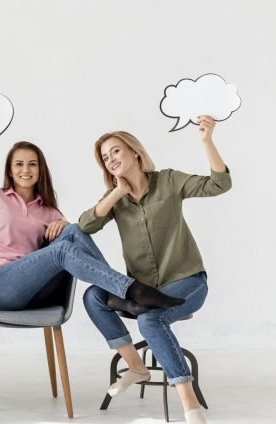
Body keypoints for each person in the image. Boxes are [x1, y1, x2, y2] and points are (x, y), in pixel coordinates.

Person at [79, 116, 231, 424]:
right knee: (93, 295)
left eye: (115, 152)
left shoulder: (169, 181)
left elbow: (219, 184)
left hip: (186, 282)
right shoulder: (116, 199)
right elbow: (85, 225)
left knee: (151, 319)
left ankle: (190, 406)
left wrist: (206, 140)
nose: (110, 161)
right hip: (143, 291)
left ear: (134, 152)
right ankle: (136, 367)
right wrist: (117, 193)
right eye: (105, 158)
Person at [0, 140, 183, 315]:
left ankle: (117, 294)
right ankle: (129, 291)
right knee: (62, 249)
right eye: (19, 165)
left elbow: (74, 245)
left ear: (40, 169)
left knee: (74, 231)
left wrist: (64, 225)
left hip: (32, 291)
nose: (25, 170)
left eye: (32, 164)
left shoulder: (48, 211)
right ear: (10, 171)